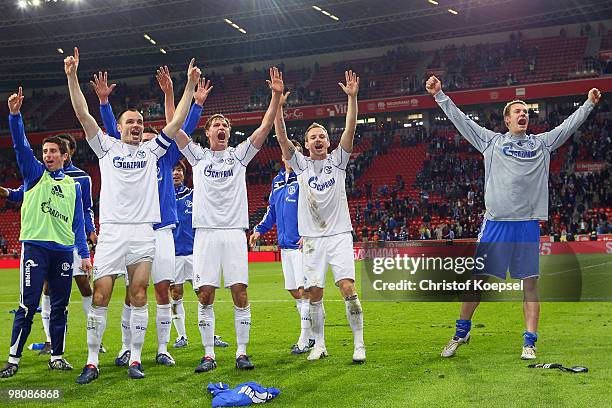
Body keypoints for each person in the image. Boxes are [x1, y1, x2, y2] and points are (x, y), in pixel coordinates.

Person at [425, 75, 600, 360]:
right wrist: (439, 95)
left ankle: (529, 342)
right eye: (518, 111)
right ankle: (461, 332)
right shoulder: (491, 141)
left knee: (530, 285)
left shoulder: (541, 144)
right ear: (506, 119)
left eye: (526, 112)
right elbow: (461, 121)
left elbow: (569, 126)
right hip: (496, 225)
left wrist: (589, 104)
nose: (524, 114)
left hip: (527, 226)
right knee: (477, 282)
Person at [64, 47, 199, 383]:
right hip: (111, 232)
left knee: (139, 295)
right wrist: (71, 77)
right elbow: (83, 115)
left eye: (140, 122)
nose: (136, 126)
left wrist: (187, 88)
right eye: (130, 122)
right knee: (101, 294)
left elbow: (178, 121)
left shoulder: (154, 152)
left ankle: (136, 358)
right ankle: (92, 361)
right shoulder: (106, 148)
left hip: (143, 232)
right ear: (120, 127)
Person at [91, 67, 211, 367]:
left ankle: (162, 348)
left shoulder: (164, 155)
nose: (144, 138)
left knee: (161, 290)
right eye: (139, 133)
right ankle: (125, 348)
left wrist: (180, 96)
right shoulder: (127, 153)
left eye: (148, 133)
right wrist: (105, 104)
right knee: (132, 294)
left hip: (162, 231)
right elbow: (111, 130)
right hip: (133, 229)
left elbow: (179, 125)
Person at [174, 67, 284, 372]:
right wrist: (185, 91)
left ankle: (241, 352)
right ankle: (208, 354)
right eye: (215, 125)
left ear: (228, 132)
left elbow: (263, 127)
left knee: (240, 292)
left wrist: (275, 95)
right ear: (208, 133)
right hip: (206, 234)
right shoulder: (197, 156)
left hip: (234, 232)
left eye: (224, 125)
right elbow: (174, 127)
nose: (221, 128)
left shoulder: (239, 155)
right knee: (205, 294)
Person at [274, 70, 365, 363]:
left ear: (327, 141)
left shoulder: (338, 162)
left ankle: (359, 344)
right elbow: (281, 137)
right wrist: (277, 104)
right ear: (307, 142)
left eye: (322, 136)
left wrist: (352, 98)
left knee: (347, 288)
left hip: (338, 234)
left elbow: (350, 130)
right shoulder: (300, 167)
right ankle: (320, 344)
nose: (318, 140)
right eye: (313, 137)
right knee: (314, 292)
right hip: (312, 238)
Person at [0, 87, 91, 378]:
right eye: (45, 151)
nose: (48, 155)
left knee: (61, 306)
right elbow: (21, 147)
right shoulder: (34, 174)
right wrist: (15, 116)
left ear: (65, 156)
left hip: (64, 251)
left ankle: (57, 356)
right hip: (36, 248)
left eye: (53, 151)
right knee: (28, 305)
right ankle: (13, 360)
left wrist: (85, 255)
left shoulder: (74, 186)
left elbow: (78, 225)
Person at [249, 103, 313, 353]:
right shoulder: (277, 181)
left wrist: (308, 234)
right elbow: (272, 212)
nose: (289, 157)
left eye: (293, 153)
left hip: (301, 244)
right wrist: (259, 230)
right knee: (293, 290)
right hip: (285, 245)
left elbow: (316, 209)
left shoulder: (306, 177)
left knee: (304, 290)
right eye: (287, 153)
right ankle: (311, 332)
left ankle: (305, 338)